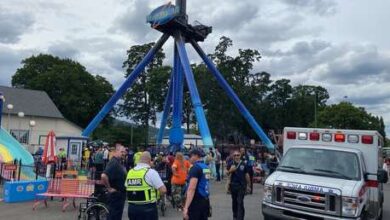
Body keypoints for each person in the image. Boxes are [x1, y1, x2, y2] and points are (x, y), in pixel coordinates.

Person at [126, 151, 167, 220]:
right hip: (148, 208)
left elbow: (127, 186)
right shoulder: (150, 172)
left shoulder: (130, 172)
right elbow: (163, 190)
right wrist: (157, 196)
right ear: (149, 160)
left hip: (132, 208)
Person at [183, 149, 211, 220]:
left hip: (196, 202)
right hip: (205, 200)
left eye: (190, 156)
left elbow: (192, 188)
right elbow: (206, 182)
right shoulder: (206, 167)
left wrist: (186, 207)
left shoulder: (195, 168)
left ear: (196, 156)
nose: (189, 158)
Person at [101, 144, 127, 220]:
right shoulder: (114, 162)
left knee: (117, 216)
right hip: (115, 195)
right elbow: (103, 176)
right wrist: (109, 188)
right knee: (113, 216)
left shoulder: (118, 162)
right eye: (122, 152)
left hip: (119, 195)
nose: (123, 153)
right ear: (116, 151)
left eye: (124, 152)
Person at [227, 150, 251, 220]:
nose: (236, 156)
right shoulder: (230, 163)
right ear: (233, 156)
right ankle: (235, 216)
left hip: (241, 186)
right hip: (233, 186)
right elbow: (227, 174)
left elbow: (247, 175)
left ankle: (240, 218)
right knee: (234, 202)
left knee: (240, 202)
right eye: (235, 155)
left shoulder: (244, 164)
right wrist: (230, 170)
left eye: (238, 155)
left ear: (240, 156)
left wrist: (248, 185)